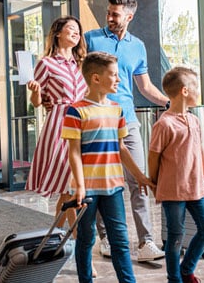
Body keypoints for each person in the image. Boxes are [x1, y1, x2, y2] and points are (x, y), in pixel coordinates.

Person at [84, 0, 169, 261]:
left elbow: (144, 86)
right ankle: (106, 238)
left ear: (129, 16)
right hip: (97, 118)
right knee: (102, 181)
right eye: (108, 12)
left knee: (140, 180)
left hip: (127, 120)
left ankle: (146, 242)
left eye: (115, 14)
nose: (109, 17)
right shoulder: (92, 39)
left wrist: (170, 102)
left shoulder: (137, 46)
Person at [62, 51, 152, 283]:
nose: (118, 79)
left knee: (120, 241)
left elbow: (122, 148)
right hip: (87, 189)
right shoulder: (75, 110)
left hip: (113, 187)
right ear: (96, 78)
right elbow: (73, 151)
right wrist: (80, 186)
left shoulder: (117, 109)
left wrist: (140, 176)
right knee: (86, 239)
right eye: (113, 75)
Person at [148, 67, 204, 283]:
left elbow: (201, 154)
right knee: (175, 238)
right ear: (185, 91)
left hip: (197, 188)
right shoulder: (164, 124)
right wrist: (154, 184)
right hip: (173, 191)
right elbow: (153, 158)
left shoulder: (195, 120)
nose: (199, 91)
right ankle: (174, 279)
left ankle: (186, 270)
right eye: (196, 87)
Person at [25, 15, 88, 236]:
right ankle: (77, 243)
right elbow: (37, 102)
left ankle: (55, 237)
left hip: (82, 122)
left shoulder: (83, 64)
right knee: (68, 183)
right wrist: (34, 92)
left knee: (70, 186)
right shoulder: (46, 63)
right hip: (60, 124)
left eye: (78, 30)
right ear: (58, 33)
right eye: (71, 29)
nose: (76, 33)